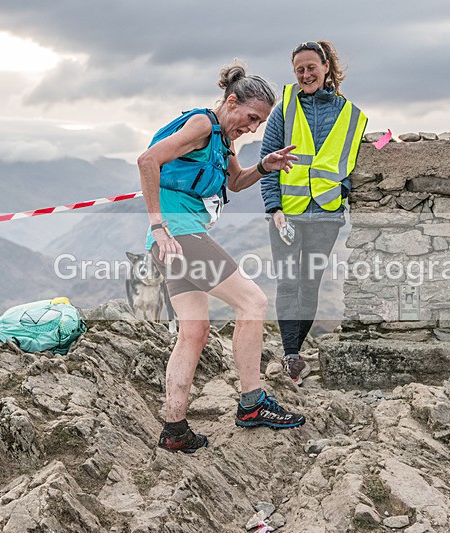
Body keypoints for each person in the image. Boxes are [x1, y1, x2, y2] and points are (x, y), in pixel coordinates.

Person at [138, 62, 304, 454]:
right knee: (254, 302)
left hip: (173, 244)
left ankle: (174, 428)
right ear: (231, 102)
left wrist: (265, 166)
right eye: (251, 118)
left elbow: (234, 181)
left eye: (260, 123)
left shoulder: (223, 140)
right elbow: (148, 161)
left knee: (194, 333)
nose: (253, 127)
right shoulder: (200, 124)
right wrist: (159, 226)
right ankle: (252, 404)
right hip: (178, 236)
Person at [260, 40, 367, 385]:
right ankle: (292, 355)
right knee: (288, 282)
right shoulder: (285, 109)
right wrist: (273, 208)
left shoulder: (351, 115)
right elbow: (267, 163)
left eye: (311, 67)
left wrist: (343, 191)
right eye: (299, 70)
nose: (306, 75)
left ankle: (295, 348)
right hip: (287, 215)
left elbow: (352, 165)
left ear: (326, 68)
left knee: (310, 284)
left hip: (326, 215)